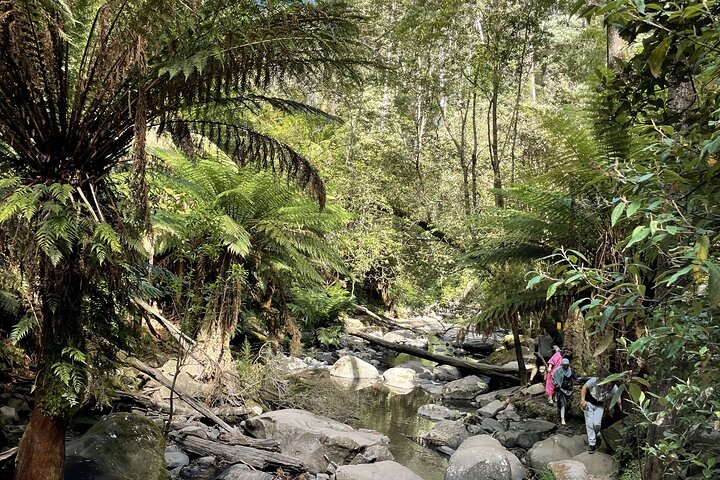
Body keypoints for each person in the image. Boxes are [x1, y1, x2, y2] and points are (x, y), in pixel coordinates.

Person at [581, 376, 623, 454]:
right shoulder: (595, 380)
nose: (611, 385)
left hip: (599, 406)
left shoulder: (614, 388)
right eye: (610, 383)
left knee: (596, 424)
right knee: (589, 423)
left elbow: (618, 400)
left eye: (613, 384)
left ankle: (597, 434)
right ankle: (592, 444)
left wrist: (622, 408)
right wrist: (582, 400)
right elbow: (584, 387)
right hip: (588, 403)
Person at [552, 357, 574, 425]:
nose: (566, 366)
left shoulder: (571, 370)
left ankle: (566, 416)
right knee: (562, 404)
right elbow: (553, 379)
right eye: (564, 365)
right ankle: (562, 418)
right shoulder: (558, 370)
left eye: (567, 365)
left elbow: (575, 377)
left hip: (569, 389)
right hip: (561, 390)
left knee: (568, 404)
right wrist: (556, 384)